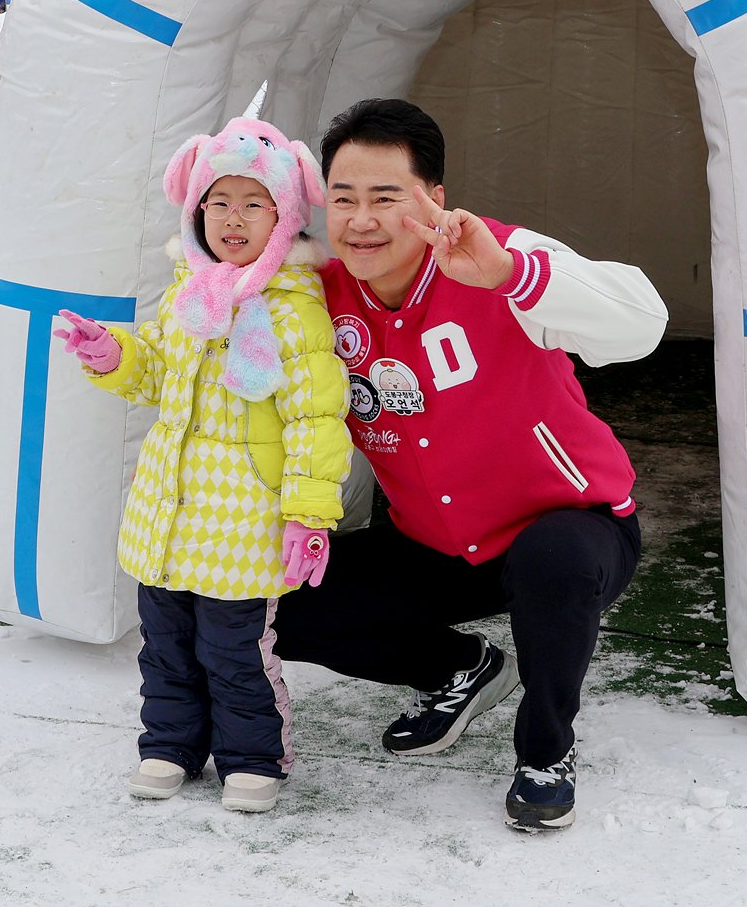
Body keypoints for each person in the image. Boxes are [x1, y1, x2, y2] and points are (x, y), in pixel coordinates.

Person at [273, 98, 667, 832]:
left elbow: (644, 322)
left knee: (552, 561)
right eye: (344, 198)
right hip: (435, 543)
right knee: (284, 600)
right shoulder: (315, 294)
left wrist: (512, 274)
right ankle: (461, 666)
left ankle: (545, 753)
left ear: (434, 197)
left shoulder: (495, 255)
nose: (362, 220)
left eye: (386, 197)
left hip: (569, 529)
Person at [54, 116, 350, 813]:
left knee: (235, 651)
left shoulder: (294, 311)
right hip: (169, 513)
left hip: (243, 526)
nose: (233, 218)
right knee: (165, 645)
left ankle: (251, 756)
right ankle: (170, 744)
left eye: (253, 203)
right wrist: (114, 354)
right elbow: (158, 371)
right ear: (196, 209)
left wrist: (308, 514)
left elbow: (315, 420)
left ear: (284, 217)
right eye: (219, 202)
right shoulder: (189, 292)